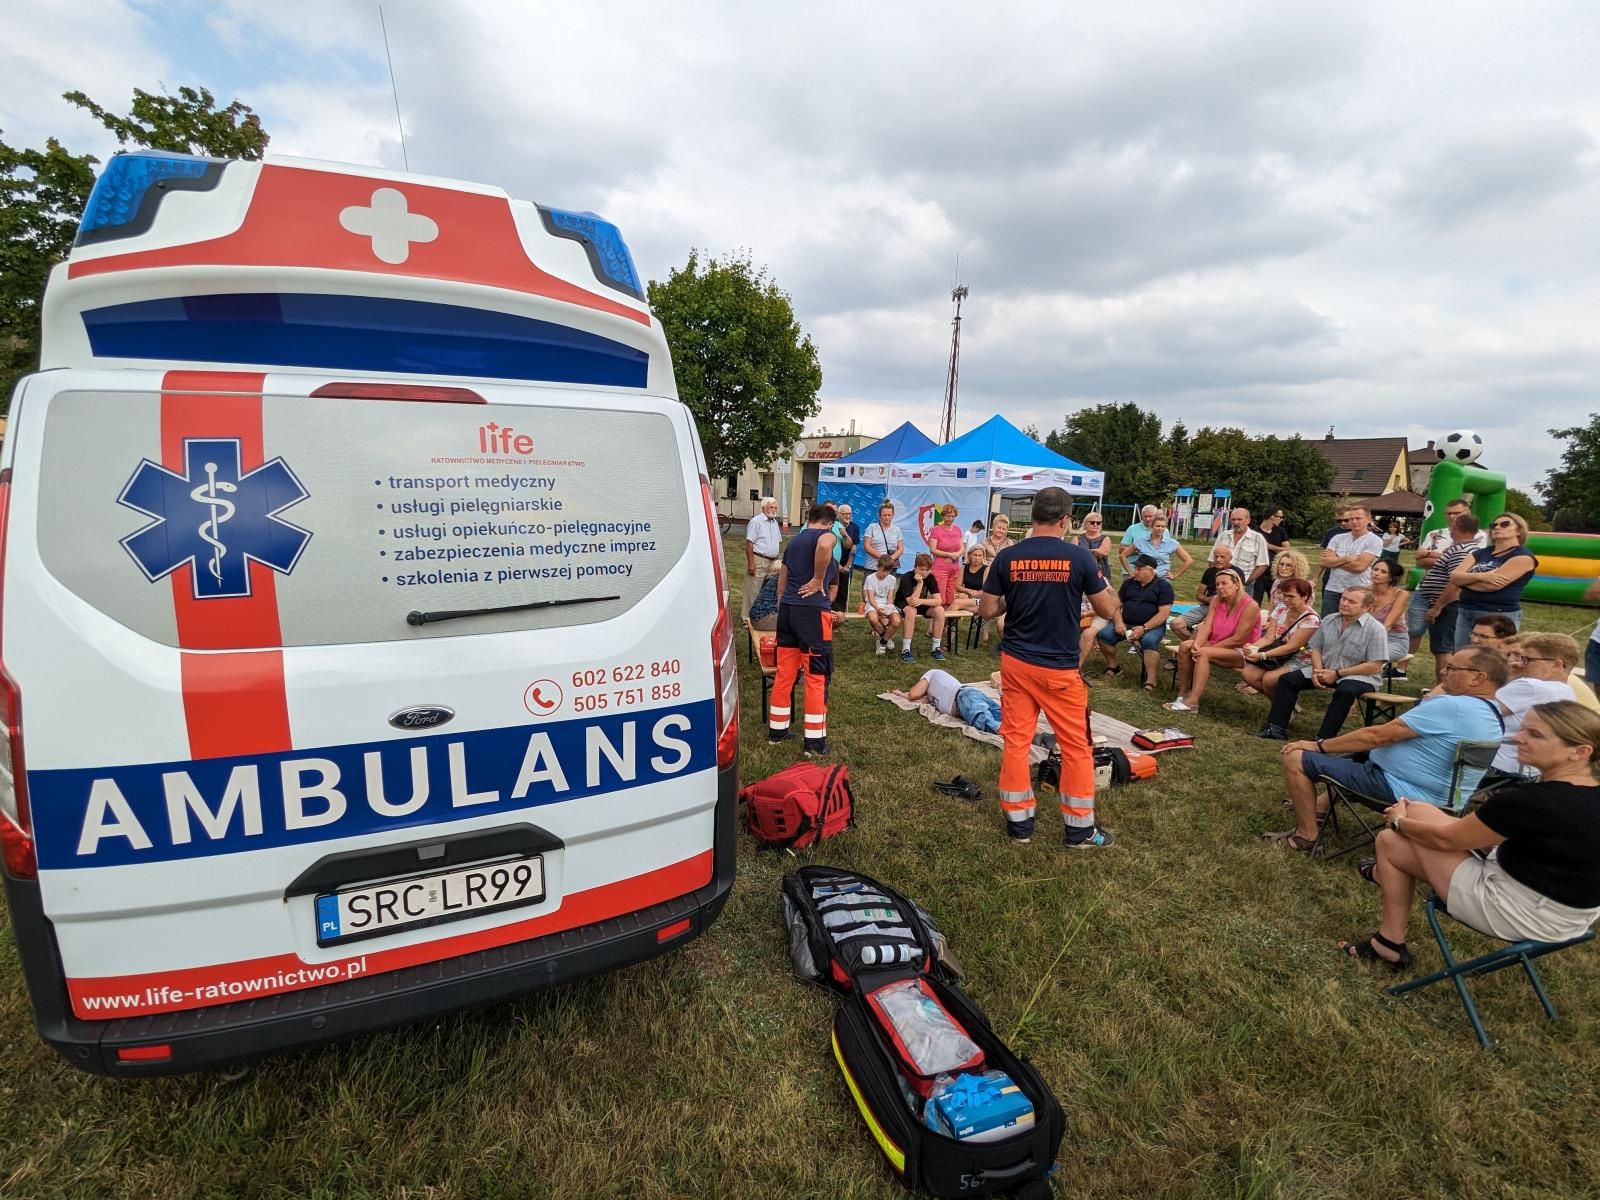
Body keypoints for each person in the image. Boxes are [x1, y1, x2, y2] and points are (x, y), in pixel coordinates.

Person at [1339, 702, 1600, 967]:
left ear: (1580, 752)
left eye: (1535, 734)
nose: (1517, 738)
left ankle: (1387, 932)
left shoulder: (1532, 800)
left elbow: (1444, 839)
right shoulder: (1583, 794)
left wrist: (1399, 822)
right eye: (1524, 729)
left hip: (1520, 911)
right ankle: (1387, 943)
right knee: (1402, 829)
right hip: (1574, 916)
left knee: (1396, 833)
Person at [1264, 645, 1509, 853]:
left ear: (1478, 677)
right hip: (1443, 800)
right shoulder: (1492, 713)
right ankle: (1319, 807)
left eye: (1453, 668)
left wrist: (1319, 745)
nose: (1445, 671)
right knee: (1360, 754)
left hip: (1403, 793)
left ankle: (1306, 837)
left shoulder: (1453, 707)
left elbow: (1377, 735)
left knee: (1296, 757)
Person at [980, 487, 1119, 846]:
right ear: (1066, 520)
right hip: (1058, 667)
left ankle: (1019, 827)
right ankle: (1079, 830)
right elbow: (1106, 610)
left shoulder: (1008, 557)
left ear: (1033, 517)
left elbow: (987, 610)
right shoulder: (1081, 557)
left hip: (1016, 663)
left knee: (1016, 742)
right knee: (1075, 747)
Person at [1254, 587, 1388, 741]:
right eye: (1343, 598)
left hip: (1359, 676)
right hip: (1324, 669)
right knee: (1287, 680)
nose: (1344, 603)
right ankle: (1276, 729)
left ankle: (1324, 739)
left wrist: (1337, 674)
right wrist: (1318, 671)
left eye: (1351, 601)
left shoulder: (1376, 629)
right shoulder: (1330, 619)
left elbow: (1374, 666)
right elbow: (1316, 648)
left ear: (1366, 608)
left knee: (1345, 690)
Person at [770, 503, 839, 757]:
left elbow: (782, 578)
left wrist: (783, 603)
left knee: (784, 674)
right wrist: (819, 579)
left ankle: (777, 732)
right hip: (812, 613)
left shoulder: (794, 543)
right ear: (830, 522)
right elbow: (824, 545)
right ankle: (814, 742)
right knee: (816, 677)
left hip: (787, 610)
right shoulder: (826, 535)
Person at [1481, 634, 1580, 784]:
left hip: (1496, 767)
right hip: (1530, 771)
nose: (1521, 664)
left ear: (1556, 664)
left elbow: (1476, 712)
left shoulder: (1530, 685)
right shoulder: (1568, 691)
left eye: (1528, 660)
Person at [1166, 568, 1260, 713]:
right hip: (1218, 644)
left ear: (1236, 584)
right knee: (1186, 646)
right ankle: (1183, 693)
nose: (1220, 587)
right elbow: (1207, 626)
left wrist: (1208, 647)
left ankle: (1192, 702)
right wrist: (1197, 643)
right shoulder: (1216, 601)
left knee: (1203, 653)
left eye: (1224, 583)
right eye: (1217, 584)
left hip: (1242, 651)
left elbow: (1238, 639)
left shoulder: (1250, 606)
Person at [1447, 512, 1538, 647]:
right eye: (1494, 525)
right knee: (1463, 654)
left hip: (1497, 614)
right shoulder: (1480, 552)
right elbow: (1454, 576)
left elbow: (1491, 586)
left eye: (1505, 524)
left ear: (1519, 530)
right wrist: (1482, 576)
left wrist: (1465, 580)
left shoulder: (1523, 557)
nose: (1497, 527)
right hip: (1466, 610)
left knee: (1491, 658)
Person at [1412, 512, 1482, 678]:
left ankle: (1445, 687)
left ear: (1456, 528)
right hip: (1443, 604)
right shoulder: (1462, 548)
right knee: (1440, 649)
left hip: (1448, 606)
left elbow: (1456, 582)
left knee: (1444, 650)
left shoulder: (1464, 550)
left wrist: (1437, 607)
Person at [1095, 554, 1173, 689]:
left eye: (1139, 569)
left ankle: (1151, 680)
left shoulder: (1163, 586)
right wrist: (1119, 622)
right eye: (1135, 568)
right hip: (1126, 623)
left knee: (1149, 641)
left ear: (1150, 570)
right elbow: (1116, 605)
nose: (1135, 571)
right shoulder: (1128, 583)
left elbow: (1163, 614)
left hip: (1152, 626)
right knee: (1103, 635)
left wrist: (1144, 628)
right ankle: (1113, 665)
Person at [1240, 577, 1319, 699]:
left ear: (1305, 596)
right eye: (1284, 595)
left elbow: (1292, 647)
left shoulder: (1311, 619)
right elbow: (1268, 638)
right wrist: (1253, 647)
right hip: (1279, 653)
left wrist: (1262, 655)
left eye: (1291, 596)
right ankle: (1283, 704)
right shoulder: (1280, 609)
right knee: (1248, 673)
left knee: (1269, 679)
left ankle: (1282, 707)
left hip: (1302, 656)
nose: (1286, 599)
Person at [1319, 504, 1383, 617]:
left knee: (1354, 626)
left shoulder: (1374, 541)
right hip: (1333, 589)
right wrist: (1346, 559)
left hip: (1359, 591)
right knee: (1328, 624)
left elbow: (1359, 567)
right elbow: (1324, 562)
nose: (1354, 521)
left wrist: (1335, 560)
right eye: (1351, 519)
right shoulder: (1337, 538)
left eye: (1358, 518)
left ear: (1369, 519)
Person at [898, 667, 1003, 735]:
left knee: (983, 720)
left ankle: (1008, 734)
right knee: (1002, 715)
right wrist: (901, 695)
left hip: (962, 698)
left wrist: (907, 695)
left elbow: (913, 694)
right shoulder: (932, 692)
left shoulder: (931, 674)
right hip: (968, 695)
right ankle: (1016, 728)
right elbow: (920, 700)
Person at [897, 552, 948, 662]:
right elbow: (911, 603)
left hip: (919, 603)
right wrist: (920, 584)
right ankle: (905, 650)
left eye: (927, 570)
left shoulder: (930, 577)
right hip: (903, 603)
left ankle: (936, 648)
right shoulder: (906, 577)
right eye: (921, 569)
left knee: (939, 610)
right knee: (911, 611)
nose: (924, 573)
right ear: (915, 567)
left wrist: (921, 601)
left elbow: (938, 600)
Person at [1211, 508, 1271, 595]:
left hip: (1245, 586)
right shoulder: (1223, 536)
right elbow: (1212, 559)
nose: (1236, 522)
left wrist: (1247, 581)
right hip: (1222, 584)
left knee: (1243, 609)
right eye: (1233, 519)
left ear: (1248, 520)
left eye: (1239, 519)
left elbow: (1263, 564)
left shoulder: (1258, 538)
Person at [742, 496, 782, 621]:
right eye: (771, 507)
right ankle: (747, 618)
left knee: (768, 589)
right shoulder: (756, 521)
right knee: (753, 590)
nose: (774, 509)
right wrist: (751, 563)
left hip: (773, 561)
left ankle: (762, 616)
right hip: (759, 559)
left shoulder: (774, 522)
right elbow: (749, 543)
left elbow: (777, 541)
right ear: (763, 508)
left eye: (775, 507)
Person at [1176, 544, 1233, 633]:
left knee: (1200, 629)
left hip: (1225, 610)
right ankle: (1194, 644)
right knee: (1176, 624)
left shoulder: (1236, 573)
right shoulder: (1209, 571)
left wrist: (1217, 601)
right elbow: (1199, 595)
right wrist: (1211, 600)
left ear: (1230, 558)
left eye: (1222, 557)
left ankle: (1195, 643)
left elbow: (1237, 597)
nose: (1218, 559)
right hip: (1206, 607)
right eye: (1216, 556)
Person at [1366, 559, 1411, 670]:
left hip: (1394, 640)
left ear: (1391, 578)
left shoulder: (1400, 595)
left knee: (1370, 657)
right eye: (1375, 569)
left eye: (1383, 572)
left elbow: (1388, 625)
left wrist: (1368, 644)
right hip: (1365, 636)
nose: (1377, 573)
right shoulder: (1363, 592)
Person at [1121, 513, 1192, 581]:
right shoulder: (1141, 542)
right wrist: (1130, 572)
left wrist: (1175, 575)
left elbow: (1189, 560)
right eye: (1157, 526)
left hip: (1162, 580)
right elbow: (1122, 555)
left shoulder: (1172, 543)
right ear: (1151, 526)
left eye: (1163, 526)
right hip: (1143, 580)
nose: (1160, 529)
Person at [861, 555, 902, 655]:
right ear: (877, 567)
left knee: (896, 621)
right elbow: (870, 598)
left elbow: (890, 596)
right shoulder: (870, 578)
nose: (885, 574)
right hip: (873, 603)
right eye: (883, 571)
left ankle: (882, 641)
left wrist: (888, 608)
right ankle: (885, 639)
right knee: (873, 619)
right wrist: (878, 609)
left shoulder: (892, 579)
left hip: (885, 603)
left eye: (888, 571)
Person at [928, 503, 965, 606]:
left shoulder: (957, 529)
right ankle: (938, 620)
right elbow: (933, 549)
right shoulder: (936, 530)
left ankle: (949, 621)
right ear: (943, 515)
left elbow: (962, 548)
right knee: (940, 599)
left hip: (955, 568)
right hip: (940, 568)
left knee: (952, 599)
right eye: (948, 516)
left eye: (952, 516)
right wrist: (949, 555)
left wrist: (956, 555)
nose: (950, 518)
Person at [1256, 508, 1291, 603]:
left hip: (1275, 573)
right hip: (1258, 573)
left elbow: (1288, 549)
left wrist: (1270, 546)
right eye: (1280, 517)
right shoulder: (1256, 532)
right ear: (1272, 517)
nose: (1281, 519)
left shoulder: (1281, 531)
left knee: (1278, 601)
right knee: (1255, 601)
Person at [831, 503, 860, 613]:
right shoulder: (833, 525)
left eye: (849, 514)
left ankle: (841, 613)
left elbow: (854, 547)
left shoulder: (854, 527)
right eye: (844, 514)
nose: (848, 516)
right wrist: (836, 564)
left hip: (847, 562)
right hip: (833, 562)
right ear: (838, 515)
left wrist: (848, 565)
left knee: (844, 589)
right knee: (832, 587)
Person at [1118, 504, 1159, 577]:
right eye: (1145, 516)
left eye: (1150, 516)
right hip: (1133, 570)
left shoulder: (1164, 530)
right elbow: (1121, 549)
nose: (1147, 519)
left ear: (1156, 516)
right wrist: (1138, 550)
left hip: (1155, 571)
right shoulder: (1132, 529)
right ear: (1141, 516)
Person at [863, 502, 905, 572]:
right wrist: (883, 558)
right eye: (884, 515)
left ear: (893, 515)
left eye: (889, 515)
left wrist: (891, 559)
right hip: (873, 567)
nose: (887, 517)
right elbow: (866, 546)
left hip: (890, 568)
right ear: (879, 515)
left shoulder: (897, 530)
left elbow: (901, 549)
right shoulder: (871, 527)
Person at [949, 546, 987, 617]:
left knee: (956, 603)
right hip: (967, 600)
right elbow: (958, 587)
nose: (977, 558)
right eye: (975, 555)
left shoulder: (986, 569)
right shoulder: (964, 568)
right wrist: (969, 592)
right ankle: (948, 627)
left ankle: (943, 627)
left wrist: (968, 596)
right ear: (969, 555)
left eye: (980, 555)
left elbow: (985, 591)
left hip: (983, 601)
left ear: (983, 557)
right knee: (950, 602)